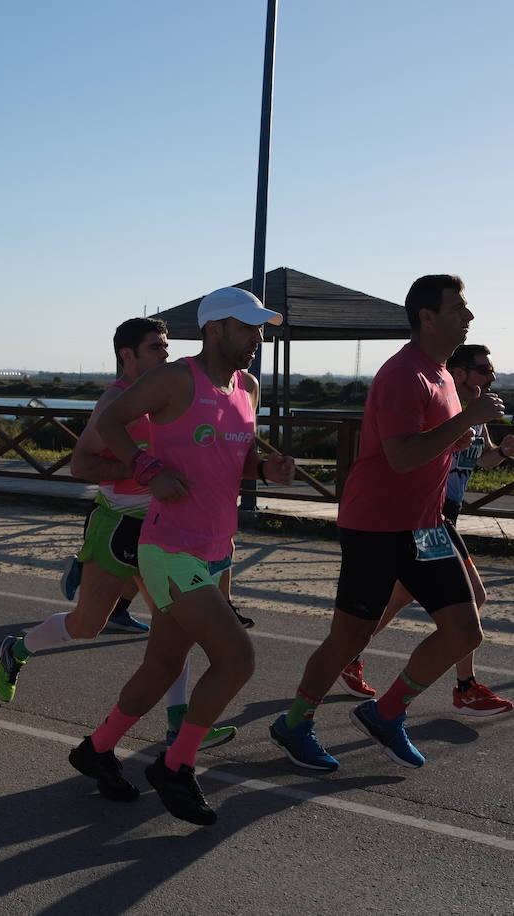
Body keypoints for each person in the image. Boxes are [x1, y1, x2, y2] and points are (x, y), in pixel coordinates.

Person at [69, 287, 294, 826]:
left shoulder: (248, 387)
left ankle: (97, 750)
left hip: (219, 548)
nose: (257, 338)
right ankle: (176, 765)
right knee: (236, 659)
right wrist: (145, 470)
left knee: (163, 663)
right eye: (248, 327)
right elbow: (110, 424)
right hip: (169, 548)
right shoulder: (174, 379)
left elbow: (229, 461)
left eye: (261, 328)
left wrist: (265, 472)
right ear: (215, 329)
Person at [270, 275, 503, 772]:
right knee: (349, 637)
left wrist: (458, 438)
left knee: (465, 631)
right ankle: (294, 722)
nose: (469, 317)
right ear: (427, 317)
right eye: (458, 308)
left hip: (425, 524)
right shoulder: (403, 375)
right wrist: (466, 422)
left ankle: (387, 712)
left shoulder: (441, 375)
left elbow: (432, 444)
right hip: (376, 525)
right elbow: (399, 457)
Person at [0, 317, 238, 745]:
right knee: (88, 624)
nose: (166, 354)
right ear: (128, 355)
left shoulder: (170, 392)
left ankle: (179, 719)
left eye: (166, 346)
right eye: (155, 348)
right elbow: (83, 465)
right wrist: (146, 469)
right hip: (120, 528)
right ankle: (18, 650)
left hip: (167, 532)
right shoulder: (116, 400)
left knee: (175, 626)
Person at [335, 344, 513, 717]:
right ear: (459, 373)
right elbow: (411, 451)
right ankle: (465, 688)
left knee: (399, 598)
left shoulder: (476, 413)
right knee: (475, 597)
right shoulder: (443, 407)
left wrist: (506, 452)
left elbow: (482, 459)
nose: (491, 377)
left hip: (446, 513)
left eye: (492, 371)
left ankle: (348, 658)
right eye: (483, 370)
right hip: (431, 515)